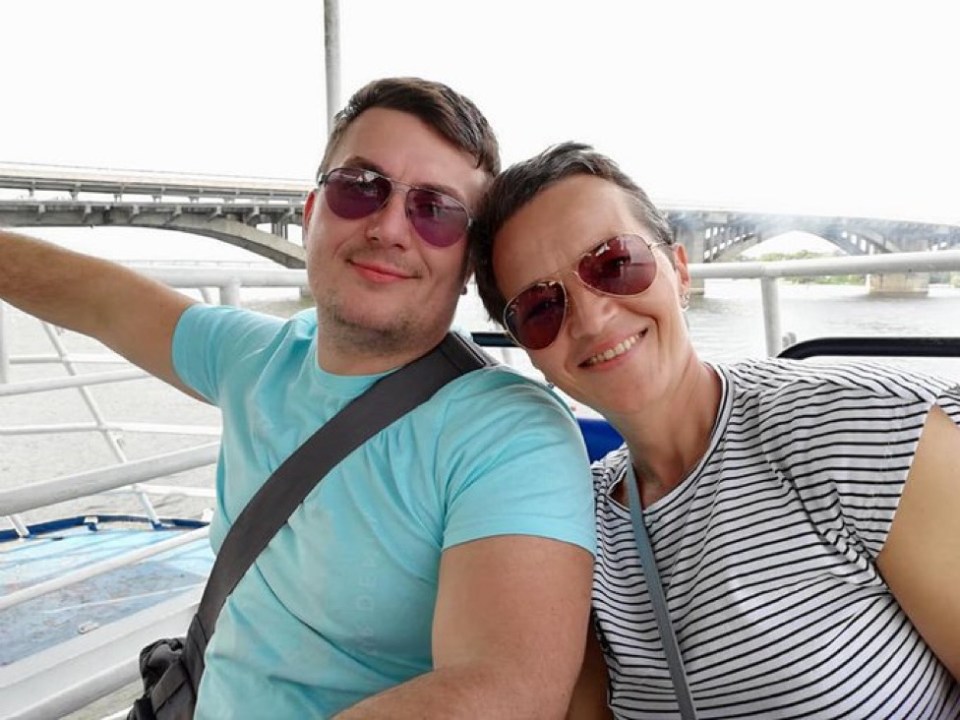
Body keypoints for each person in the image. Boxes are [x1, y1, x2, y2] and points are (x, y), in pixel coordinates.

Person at [0, 80, 597, 719]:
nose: (389, 227)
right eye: (359, 187)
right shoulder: (257, 359)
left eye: (436, 211)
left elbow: (505, 691)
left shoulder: (508, 434)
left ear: (468, 264)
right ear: (312, 213)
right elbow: (99, 299)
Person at [471, 141, 960, 718]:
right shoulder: (576, 526)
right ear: (529, 351)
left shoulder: (863, 429)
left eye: (614, 263)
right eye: (540, 308)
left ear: (680, 271)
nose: (593, 317)